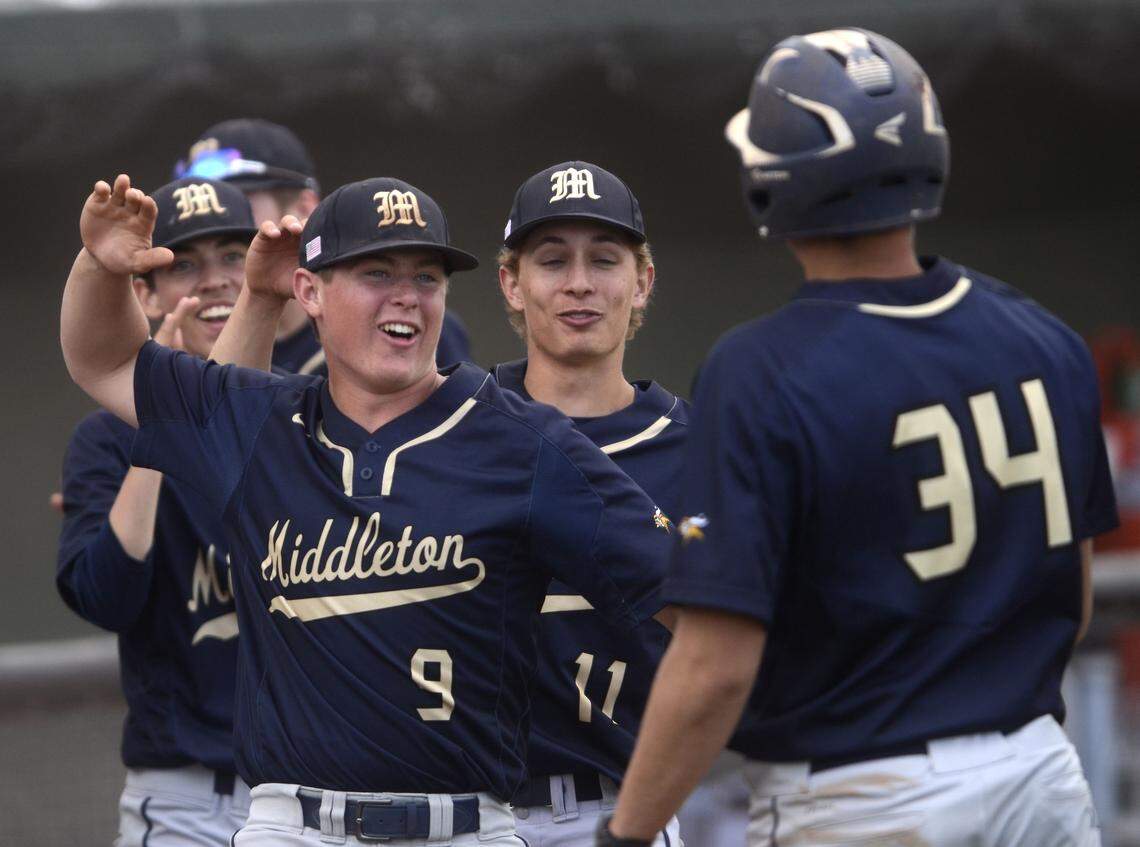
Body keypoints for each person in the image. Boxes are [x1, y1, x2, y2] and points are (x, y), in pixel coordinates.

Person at [600, 27, 1117, 847]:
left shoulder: (758, 368)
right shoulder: (1044, 336)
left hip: (863, 795)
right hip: (1037, 773)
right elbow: (1075, 595)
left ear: (775, 181)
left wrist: (626, 833)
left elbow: (716, 666)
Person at [60, 172, 675, 847]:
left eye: (427, 275)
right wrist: (99, 266)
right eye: (376, 271)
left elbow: (694, 597)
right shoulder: (261, 423)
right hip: (291, 825)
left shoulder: (523, 442)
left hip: (466, 824)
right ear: (310, 290)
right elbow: (105, 357)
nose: (406, 296)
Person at [56, 177, 258, 845]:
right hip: (182, 796)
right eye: (187, 264)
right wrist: (158, 425)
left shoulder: (297, 412)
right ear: (144, 291)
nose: (217, 281)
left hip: (304, 794)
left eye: (234, 256)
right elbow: (108, 598)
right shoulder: (103, 438)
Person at [494, 161, 687, 846]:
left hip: (622, 808)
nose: (579, 283)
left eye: (605, 260)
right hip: (466, 818)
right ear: (512, 283)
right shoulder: (459, 427)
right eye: (552, 260)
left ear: (643, 283)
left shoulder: (697, 448)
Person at [176, 118, 472, 372]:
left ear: (305, 208)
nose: (211, 224)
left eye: (234, 203)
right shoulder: (182, 350)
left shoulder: (406, 323)